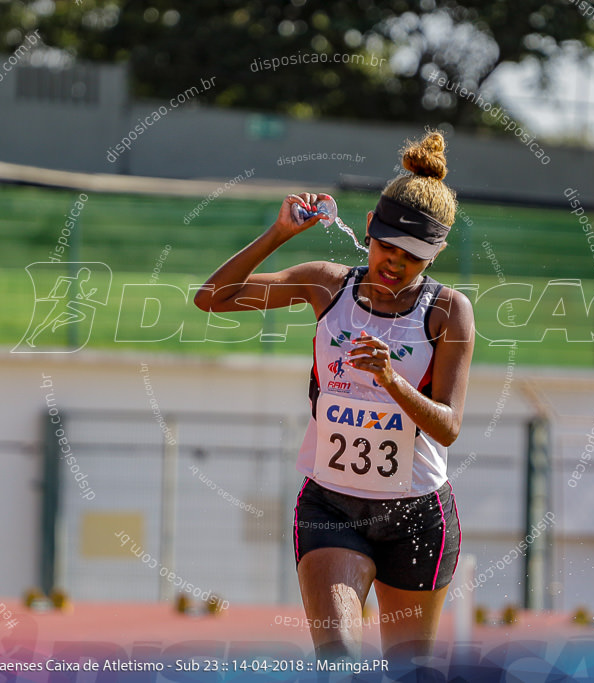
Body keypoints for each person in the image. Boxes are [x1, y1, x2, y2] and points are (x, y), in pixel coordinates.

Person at [194, 130, 474, 665]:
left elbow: (448, 427)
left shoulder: (448, 312)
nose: (393, 263)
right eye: (385, 247)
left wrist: (392, 381)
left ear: (434, 254)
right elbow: (213, 298)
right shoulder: (327, 286)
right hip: (332, 506)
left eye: (411, 257)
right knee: (339, 661)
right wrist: (279, 234)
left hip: (418, 515)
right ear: (368, 227)